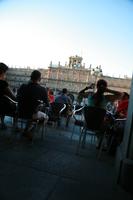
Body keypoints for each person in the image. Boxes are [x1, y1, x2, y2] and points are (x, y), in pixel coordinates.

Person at [17, 70, 49, 139]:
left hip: (19, 112)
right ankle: (31, 131)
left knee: (32, 112)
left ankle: (26, 130)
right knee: (46, 117)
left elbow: (17, 98)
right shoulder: (42, 90)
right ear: (40, 79)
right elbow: (47, 104)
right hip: (31, 114)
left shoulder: (23, 86)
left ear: (30, 77)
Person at [0, 63, 16, 128]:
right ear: (3, 72)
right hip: (3, 106)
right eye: (5, 72)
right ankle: (14, 126)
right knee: (14, 107)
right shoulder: (3, 83)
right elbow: (12, 96)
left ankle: (2, 122)